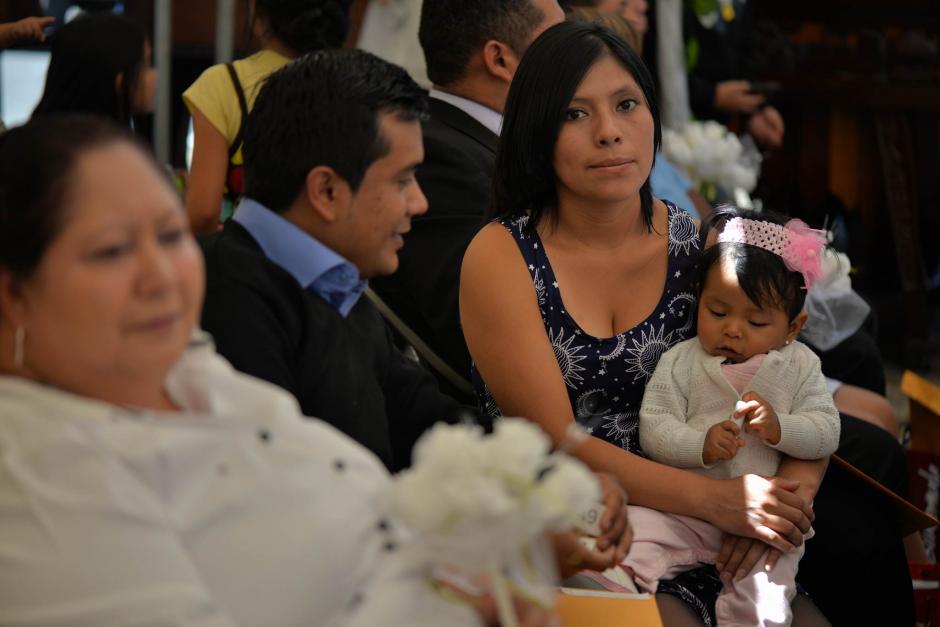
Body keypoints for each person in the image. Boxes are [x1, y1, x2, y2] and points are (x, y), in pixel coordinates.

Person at [0, 113, 580, 627]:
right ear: (13, 296)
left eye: (172, 234)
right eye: (111, 251)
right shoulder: (36, 475)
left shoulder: (190, 373)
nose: (163, 275)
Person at [460, 20, 913, 626]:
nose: (609, 133)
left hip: (726, 501)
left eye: (627, 104)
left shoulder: (701, 240)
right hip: (587, 517)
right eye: (574, 114)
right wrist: (720, 502)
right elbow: (558, 440)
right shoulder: (502, 255)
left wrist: (784, 502)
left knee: (860, 529)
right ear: (535, 130)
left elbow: (795, 376)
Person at [607, 209, 839, 626]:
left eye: (756, 321)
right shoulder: (683, 360)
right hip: (684, 508)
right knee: (635, 535)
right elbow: (654, 425)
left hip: (764, 522)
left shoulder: (800, 367)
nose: (733, 330)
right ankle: (615, 588)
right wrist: (699, 445)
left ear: (793, 326)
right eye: (717, 312)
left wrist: (781, 429)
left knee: (767, 593)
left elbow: (826, 430)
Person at [369, 0, 564, 400]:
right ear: (500, 59)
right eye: (557, 40)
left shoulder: (489, 142)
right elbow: (480, 339)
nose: (577, 54)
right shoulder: (439, 159)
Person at [183, 0, 348, 233]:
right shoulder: (354, 84)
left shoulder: (225, 84)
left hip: (241, 261)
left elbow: (203, 213)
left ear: (257, 11)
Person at [31, 12, 155, 126]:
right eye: (147, 65)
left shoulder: (42, 136)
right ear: (120, 82)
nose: (156, 75)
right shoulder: (104, 147)